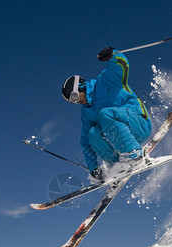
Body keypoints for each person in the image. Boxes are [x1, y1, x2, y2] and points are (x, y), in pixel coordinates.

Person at [62, 47, 152, 181]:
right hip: (120, 140)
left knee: (105, 113)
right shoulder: (86, 112)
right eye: (72, 101)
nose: (77, 102)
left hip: (138, 123)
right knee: (92, 133)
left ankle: (133, 155)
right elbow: (86, 142)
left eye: (75, 96)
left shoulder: (105, 81)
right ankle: (117, 165)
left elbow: (122, 64)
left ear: (81, 86)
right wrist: (94, 169)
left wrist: (112, 55)